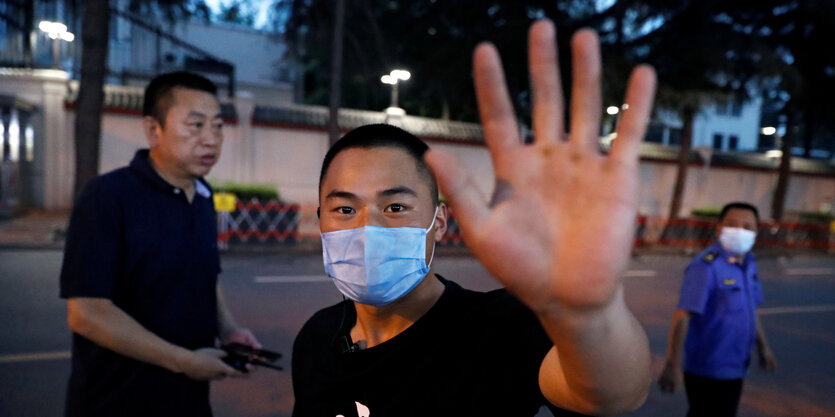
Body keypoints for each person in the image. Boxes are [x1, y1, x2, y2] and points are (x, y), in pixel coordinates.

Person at [292, 20, 657, 417]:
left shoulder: (498, 329)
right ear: (320, 222)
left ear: (439, 222)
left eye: (395, 207)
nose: (369, 226)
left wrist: (589, 312)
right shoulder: (316, 337)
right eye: (345, 209)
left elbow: (612, 395)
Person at [60, 71, 261, 417]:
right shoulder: (108, 197)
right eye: (195, 125)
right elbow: (88, 314)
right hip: (116, 402)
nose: (211, 140)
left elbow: (204, 277)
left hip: (189, 401)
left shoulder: (202, 195)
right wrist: (184, 361)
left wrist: (229, 330)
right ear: (154, 129)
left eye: (217, 126)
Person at [658, 202, 777, 417]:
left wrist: (763, 347)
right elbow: (683, 316)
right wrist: (672, 365)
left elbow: (751, 310)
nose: (740, 231)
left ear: (756, 233)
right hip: (708, 369)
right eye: (733, 225)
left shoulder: (749, 264)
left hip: (737, 365)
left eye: (748, 227)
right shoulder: (706, 266)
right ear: (719, 228)